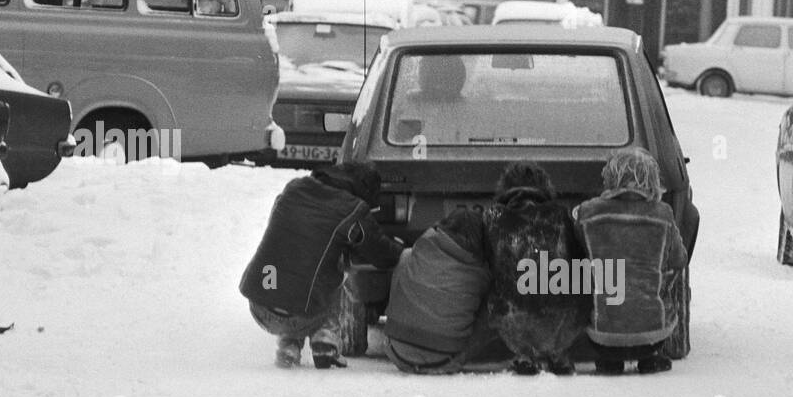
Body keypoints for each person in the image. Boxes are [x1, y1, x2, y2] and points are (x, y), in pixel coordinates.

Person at [239, 163, 402, 369]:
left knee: (297, 261)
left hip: (259, 304)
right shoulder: (352, 209)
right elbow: (381, 255)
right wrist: (403, 250)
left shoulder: (294, 189)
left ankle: (289, 345)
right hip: (302, 316)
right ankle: (325, 339)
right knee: (343, 266)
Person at [572, 147, 688, 375]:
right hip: (653, 336)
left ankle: (609, 361)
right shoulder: (663, 214)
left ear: (610, 176)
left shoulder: (588, 212)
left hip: (602, 335)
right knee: (662, 284)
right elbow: (679, 259)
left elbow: (578, 252)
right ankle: (650, 357)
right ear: (652, 179)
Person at [481, 162, 589, 375]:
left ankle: (525, 352)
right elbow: (580, 261)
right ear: (546, 188)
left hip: (512, 322)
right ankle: (557, 350)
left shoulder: (493, 218)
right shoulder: (561, 215)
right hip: (563, 321)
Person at [383, 208, 492, 374]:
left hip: (397, 353)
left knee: (406, 257)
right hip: (443, 360)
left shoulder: (422, 245)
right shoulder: (480, 271)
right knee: (491, 303)